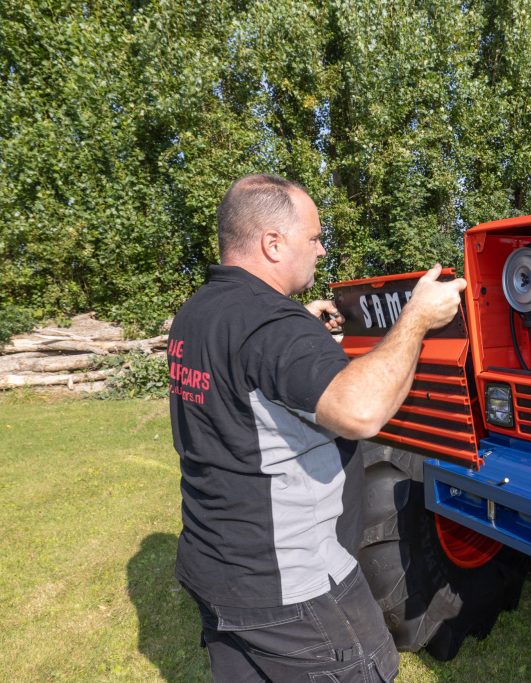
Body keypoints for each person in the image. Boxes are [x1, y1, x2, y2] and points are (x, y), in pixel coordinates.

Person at [167, 174, 466, 682]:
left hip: (213, 564)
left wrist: (300, 326)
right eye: (313, 237)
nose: (322, 249)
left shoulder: (200, 312)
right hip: (290, 587)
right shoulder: (272, 329)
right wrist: (416, 317)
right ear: (273, 243)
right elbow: (363, 411)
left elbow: (245, 369)